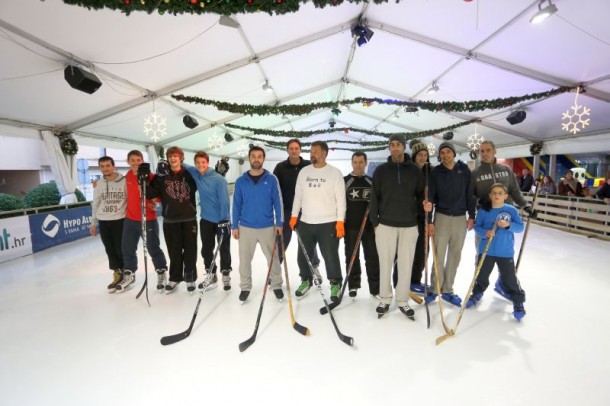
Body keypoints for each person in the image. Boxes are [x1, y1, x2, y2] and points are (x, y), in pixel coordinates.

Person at [369, 134, 431, 319]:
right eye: (392, 145)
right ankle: (385, 298)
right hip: (385, 224)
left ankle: (403, 300)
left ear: (404, 147)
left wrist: (425, 204)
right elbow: (374, 197)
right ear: (389, 148)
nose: (395, 148)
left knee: (406, 264)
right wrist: (375, 222)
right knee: (385, 263)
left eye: (398, 145)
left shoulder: (414, 171)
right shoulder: (381, 170)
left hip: (409, 224)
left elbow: (421, 195)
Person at [471, 140, 532, 298]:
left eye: (488, 150)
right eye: (482, 151)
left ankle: (503, 284)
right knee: (483, 255)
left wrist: (525, 205)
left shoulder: (505, 170)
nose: (485, 153)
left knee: (504, 255)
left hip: (505, 220)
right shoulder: (475, 173)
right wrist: (474, 210)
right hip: (486, 220)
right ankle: (478, 286)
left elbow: (514, 190)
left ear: (494, 151)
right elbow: (471, 196)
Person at [290, 141, 346, 302]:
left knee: (330, 255)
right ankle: (306, 280)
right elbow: (298, 196)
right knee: (303, 255)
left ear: (324, 154)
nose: (311, 154)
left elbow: (341, 200)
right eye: (311, 151)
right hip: (306, 222)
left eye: (315, 151)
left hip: (328, 222)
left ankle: (335, 283)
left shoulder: (334, 173)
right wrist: (294, 216)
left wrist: (340, 221)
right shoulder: (304, 172)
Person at [466, 183, 526, 321]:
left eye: (500, 193)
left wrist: (509, 225)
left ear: (505, 196)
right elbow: (477, 227)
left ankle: (518, 302)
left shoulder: (511, 210)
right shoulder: (484, 210)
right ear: (490, 195)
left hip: (504, 251)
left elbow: (520, 227)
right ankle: (477, 293)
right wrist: (485, 233)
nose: (496, 195)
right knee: (481, 275)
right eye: (494, 193)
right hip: (486, 250)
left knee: (510, 279)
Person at [426, 141, 476, 307]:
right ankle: (434, 288)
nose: (445, 155)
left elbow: (470, 194)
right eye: (442, 153)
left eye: (448, 152)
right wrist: (429, 221)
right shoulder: (436, 172)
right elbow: (431, 197)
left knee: (455, 254)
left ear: (454, 153)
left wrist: (472, 215)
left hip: (460, 217)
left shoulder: (464, 171)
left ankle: (447, 289)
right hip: (442, 216)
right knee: (438, 254)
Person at [232, 146, 284, 302]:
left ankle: (276, 285)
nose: (256, 159)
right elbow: (236, 205)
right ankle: (245, 287)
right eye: (253, 156)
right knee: (245, 260)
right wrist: (235, 226)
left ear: (263, 159)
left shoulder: (271, 179)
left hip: (267, 226)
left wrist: (279, 222)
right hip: (246, 227)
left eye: (259, 156)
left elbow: (278, 201)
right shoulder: (241, 181)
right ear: (249, 158)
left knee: (273, 258)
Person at [115, 150, 167, 292]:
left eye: (138, 160)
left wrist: (153, 202)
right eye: (133, 160)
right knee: (127, 248)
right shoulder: (127, 177)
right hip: (131, 218)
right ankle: (129, 274)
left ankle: (161, 271)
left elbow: (159, 197)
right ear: (128, 162)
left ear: (142, 160)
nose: (136, 163)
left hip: (148, 218)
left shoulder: (150, 176)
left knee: (153, 247)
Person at [149, 147, 198, 293]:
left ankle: (190, 277)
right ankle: (175, 277)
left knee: (190, 249)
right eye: (170, 156)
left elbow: (203, 183)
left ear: (181, 158)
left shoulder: (190, 174)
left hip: (189, 218)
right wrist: (151, 177)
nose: (173, 158)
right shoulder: (162, 175)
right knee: (174, 250)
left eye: (176, 156)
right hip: (170, 220)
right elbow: (151, 193)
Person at [185, 151, 232, 291]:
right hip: (206, 219)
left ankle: (226, 274)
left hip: (221, 220)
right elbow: (184, 165)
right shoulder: (197, 174)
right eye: (198, 163)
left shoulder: (219, 179)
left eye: (203, 162)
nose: (200, 165)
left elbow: (225, 201)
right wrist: (174, 160)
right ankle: (211, 274)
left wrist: (225, 220)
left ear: (208, 162)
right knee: (206, 249)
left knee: (224, 248)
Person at [273, 139, 320, 267]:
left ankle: (314, 266)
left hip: (305, 211)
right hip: (287, 211)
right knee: (282, 240)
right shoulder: (280, 167)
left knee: (307, 241)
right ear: (287, 150)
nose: (294, 151)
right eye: (291, 148)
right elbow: (275, 190)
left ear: (300, 150)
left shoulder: (308, 165)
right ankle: (275, 270)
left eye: (296, 148)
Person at [343, 151, 379, 298]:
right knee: (351, 256)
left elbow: (378, 203)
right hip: (351, 226)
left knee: (372, 257)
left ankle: (375, 288)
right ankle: (353, 285)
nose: (358, 165)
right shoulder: (345, 181)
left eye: (361, 162)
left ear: (366, 163)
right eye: (355, 162)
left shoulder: (372, 182)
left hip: (369, 228)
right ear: (352, 163)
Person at [90, 156, 127, 293]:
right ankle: (117, 274)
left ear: (113, 166)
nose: (105, 168)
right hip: (104, 221)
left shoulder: (123, 181)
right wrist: (93, 222)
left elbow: (130, 200)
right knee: (110, 249)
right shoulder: (98, 184)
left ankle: (126, 274)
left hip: (120, 220)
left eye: (108, 165)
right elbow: (96, 203)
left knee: (120, 249)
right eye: (102, 166)